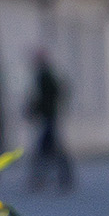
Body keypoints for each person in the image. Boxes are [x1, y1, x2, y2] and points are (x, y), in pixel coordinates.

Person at [25, 50, 75, 193]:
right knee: (50, 149)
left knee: (47, 149)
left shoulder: (45, 76)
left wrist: (35, 109)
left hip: (49, 116)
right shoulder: (46, 75)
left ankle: (43, 179)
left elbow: (43, 97)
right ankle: (58, 178)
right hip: (49, 116)